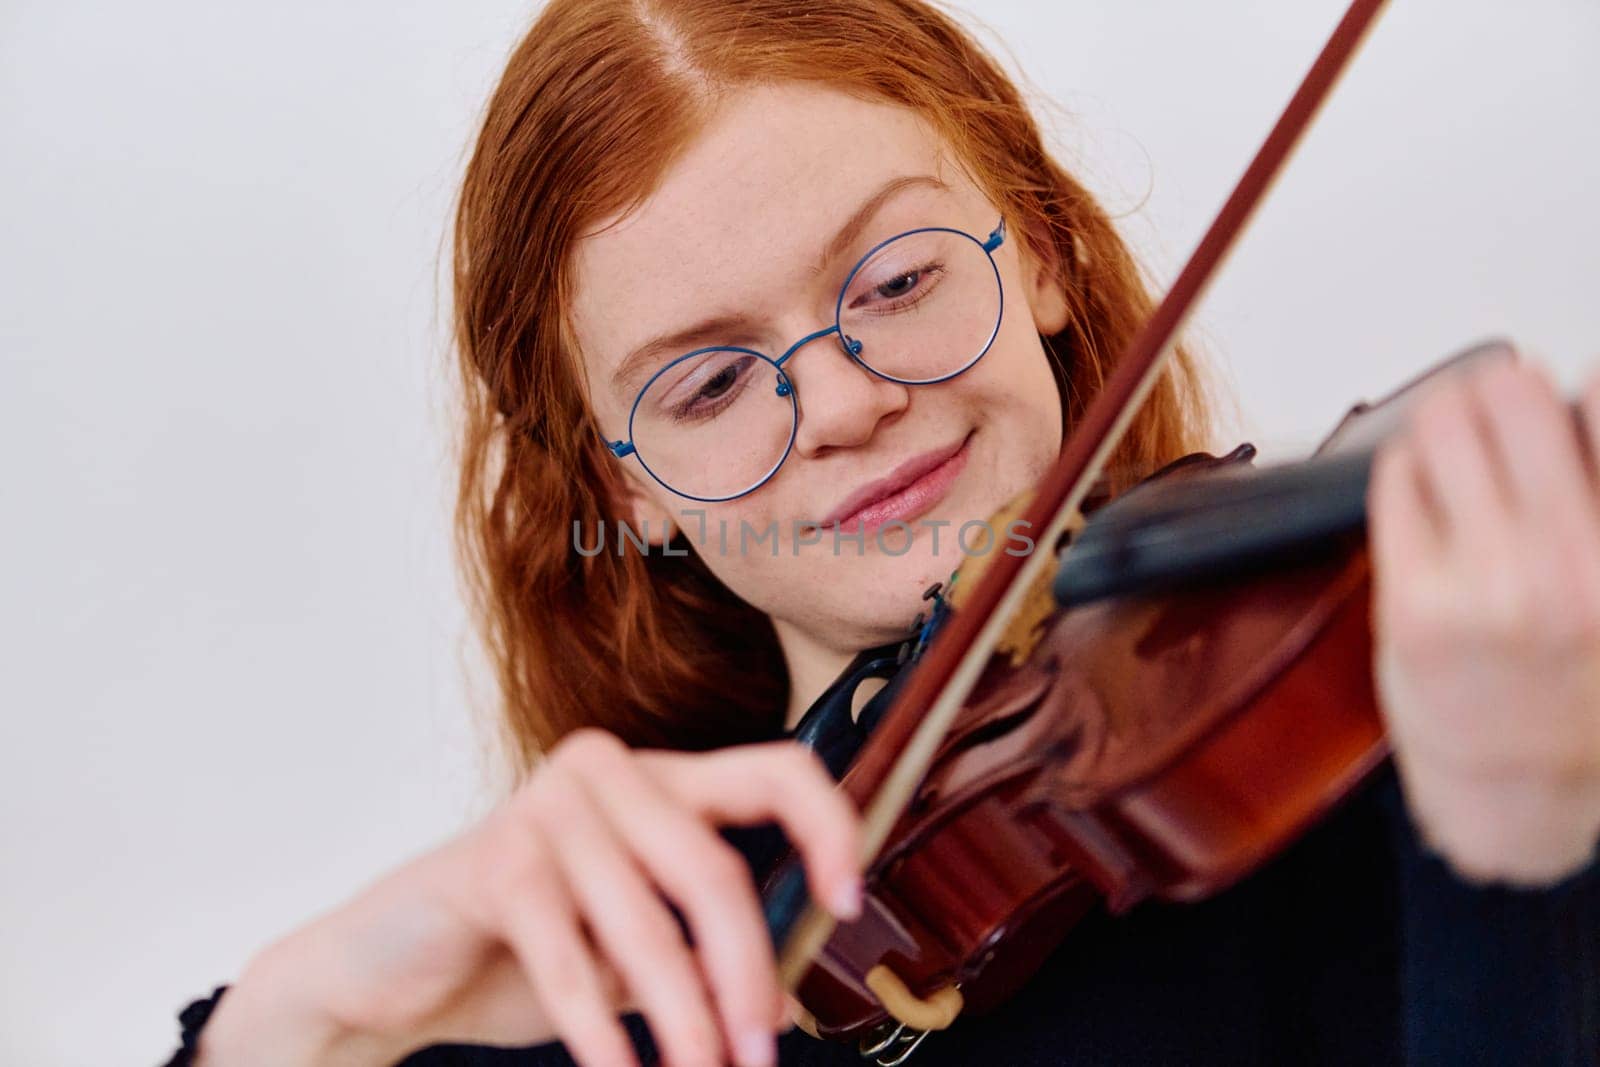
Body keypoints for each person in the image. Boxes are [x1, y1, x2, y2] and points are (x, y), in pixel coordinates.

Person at [168, 1, 1600, 1064]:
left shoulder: (1417, 737)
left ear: (1035, 246)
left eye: (899, 278)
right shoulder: (579, 991)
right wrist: (304, 1019)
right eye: (712, 382)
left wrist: (1518, 850)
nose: (846, 402)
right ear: (628, 492)